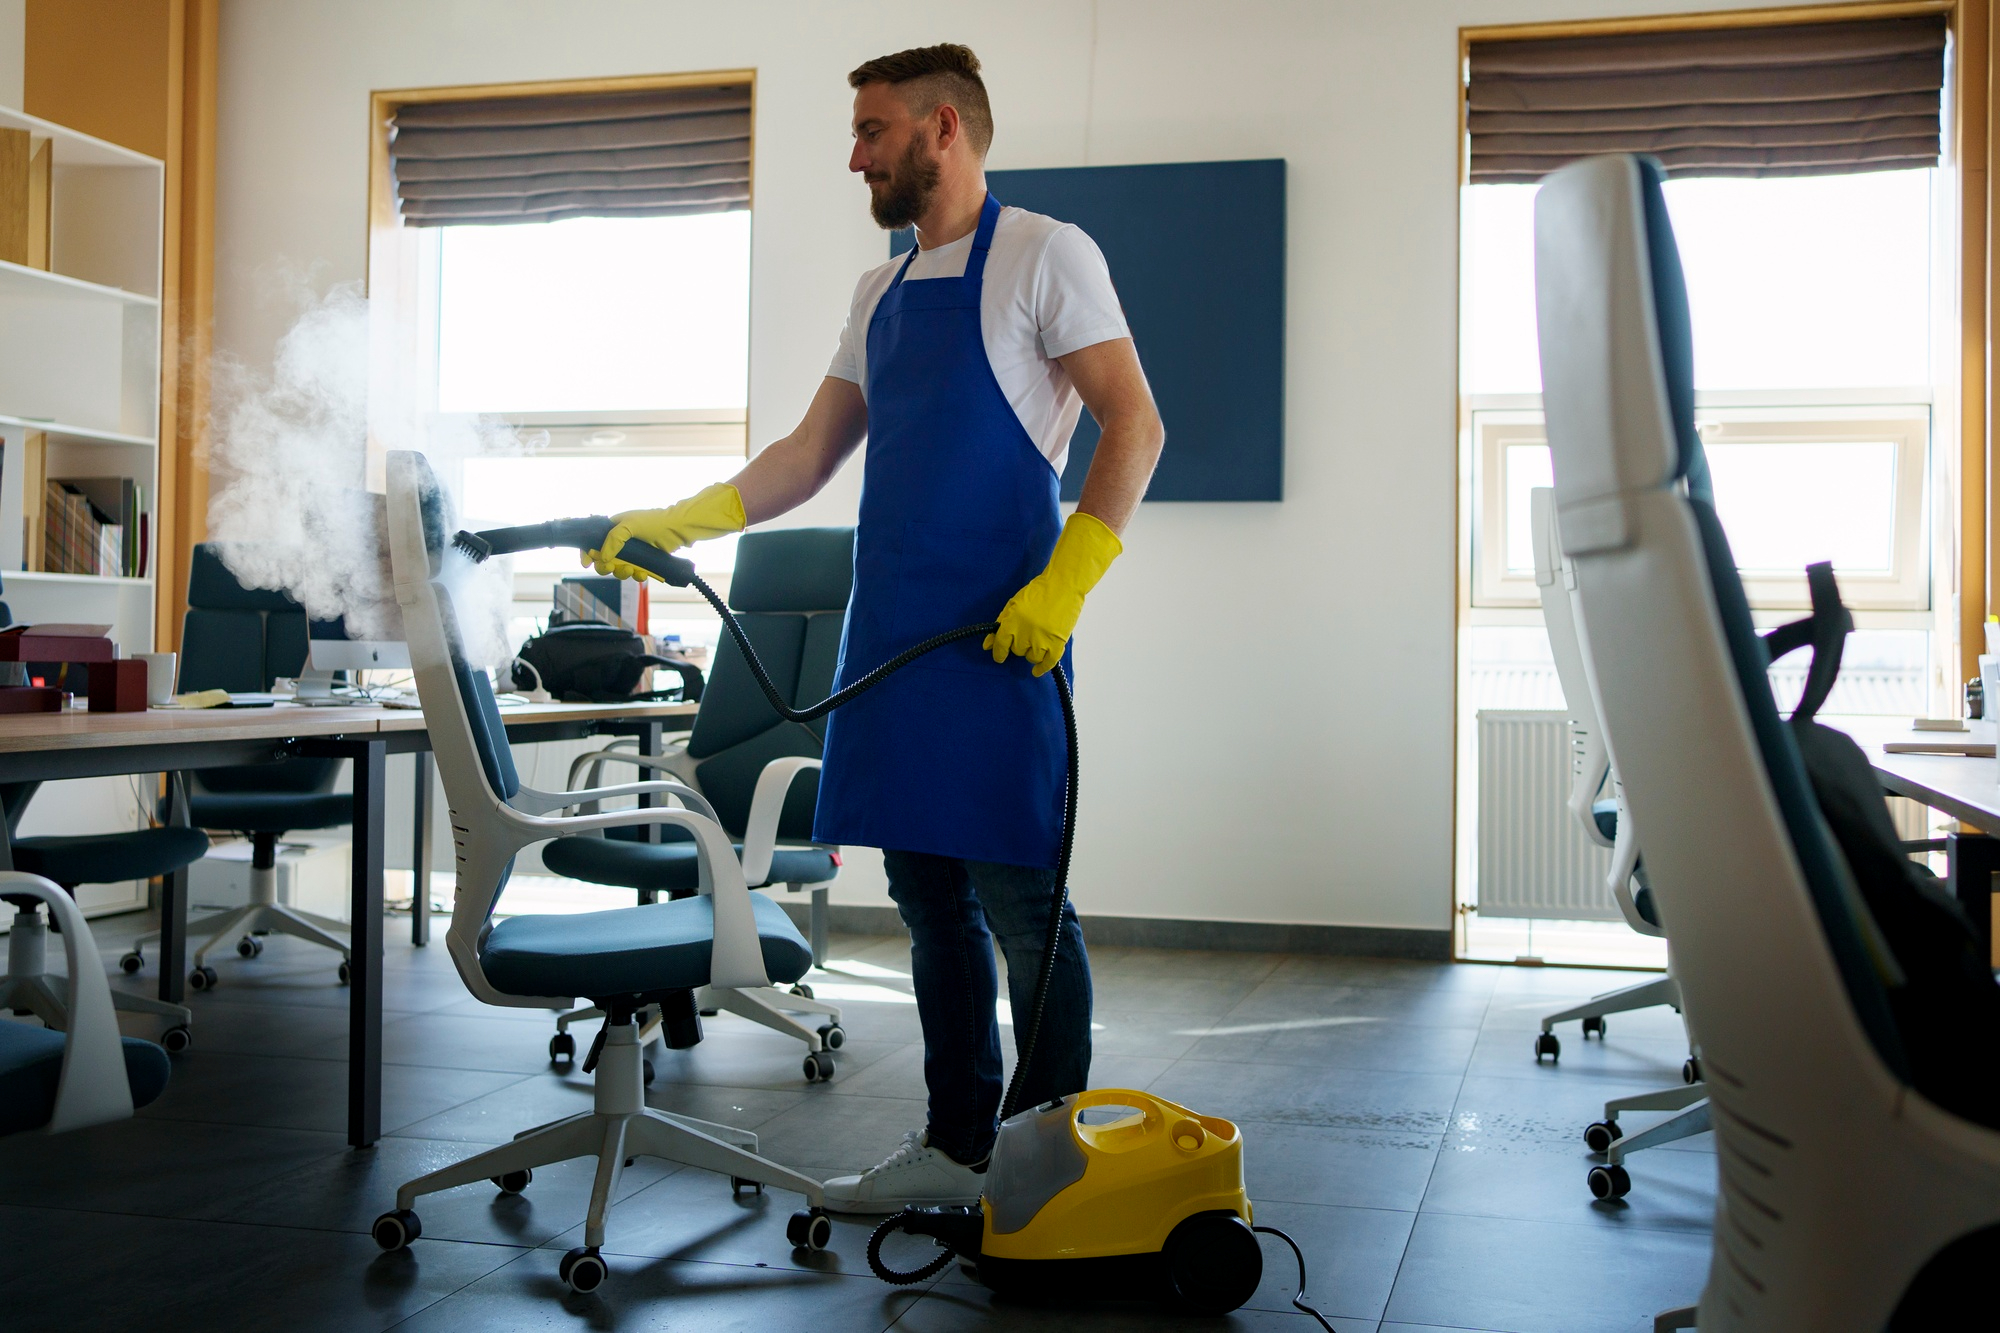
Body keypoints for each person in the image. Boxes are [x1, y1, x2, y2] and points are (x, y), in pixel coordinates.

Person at [586, 42, 1165, 1213]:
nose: (855, 155)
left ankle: (1048, 1165)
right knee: (923, 898)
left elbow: (1134, 426)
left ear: (941, 128)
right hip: (890, 636)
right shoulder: (881, 292)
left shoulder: (1048, 256)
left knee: (1020, 903)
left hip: (1001, 637)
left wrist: (1064, 584)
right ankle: (958, 1148)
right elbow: (808, 456)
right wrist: (686, 516)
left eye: (871, 130)